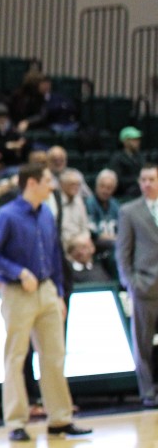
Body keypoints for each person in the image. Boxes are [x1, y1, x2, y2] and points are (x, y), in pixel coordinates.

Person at [0, 164, 93, 441]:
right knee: (16, 357)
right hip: (17, 292)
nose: (51, 186)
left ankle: (60, 418)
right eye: (47, 181)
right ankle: (16, 421)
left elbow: (54, 254)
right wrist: (19, 272)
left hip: (47, 290)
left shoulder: (46, 213)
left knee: (54, 355)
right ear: (31, 183)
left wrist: (59, 292)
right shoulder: (6, 215)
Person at [116, 165, 158, 409]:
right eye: (143, 180)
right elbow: (123, 252)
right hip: (145, 286)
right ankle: (147, 392)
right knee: (143, 344)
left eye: (151, 179)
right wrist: (130, 282)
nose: (147, 183)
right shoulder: (129, 211)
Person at [85, 169, 119, 252]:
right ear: (96, 186)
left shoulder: (115, 204)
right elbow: (93, 232)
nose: (105, 191)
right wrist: (115, 238)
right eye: (102, 186)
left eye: (109, 188)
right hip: (96, 244)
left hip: (115, 242)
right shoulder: (89, 203)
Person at [110, 126, 144, 198]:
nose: (137, 142)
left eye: (137, 139)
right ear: (125, 141)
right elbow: (117, 179)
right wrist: (136, 180)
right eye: (133, 140)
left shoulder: (140, 156)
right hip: (125, 193)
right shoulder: (117, 158)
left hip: (141, 188)